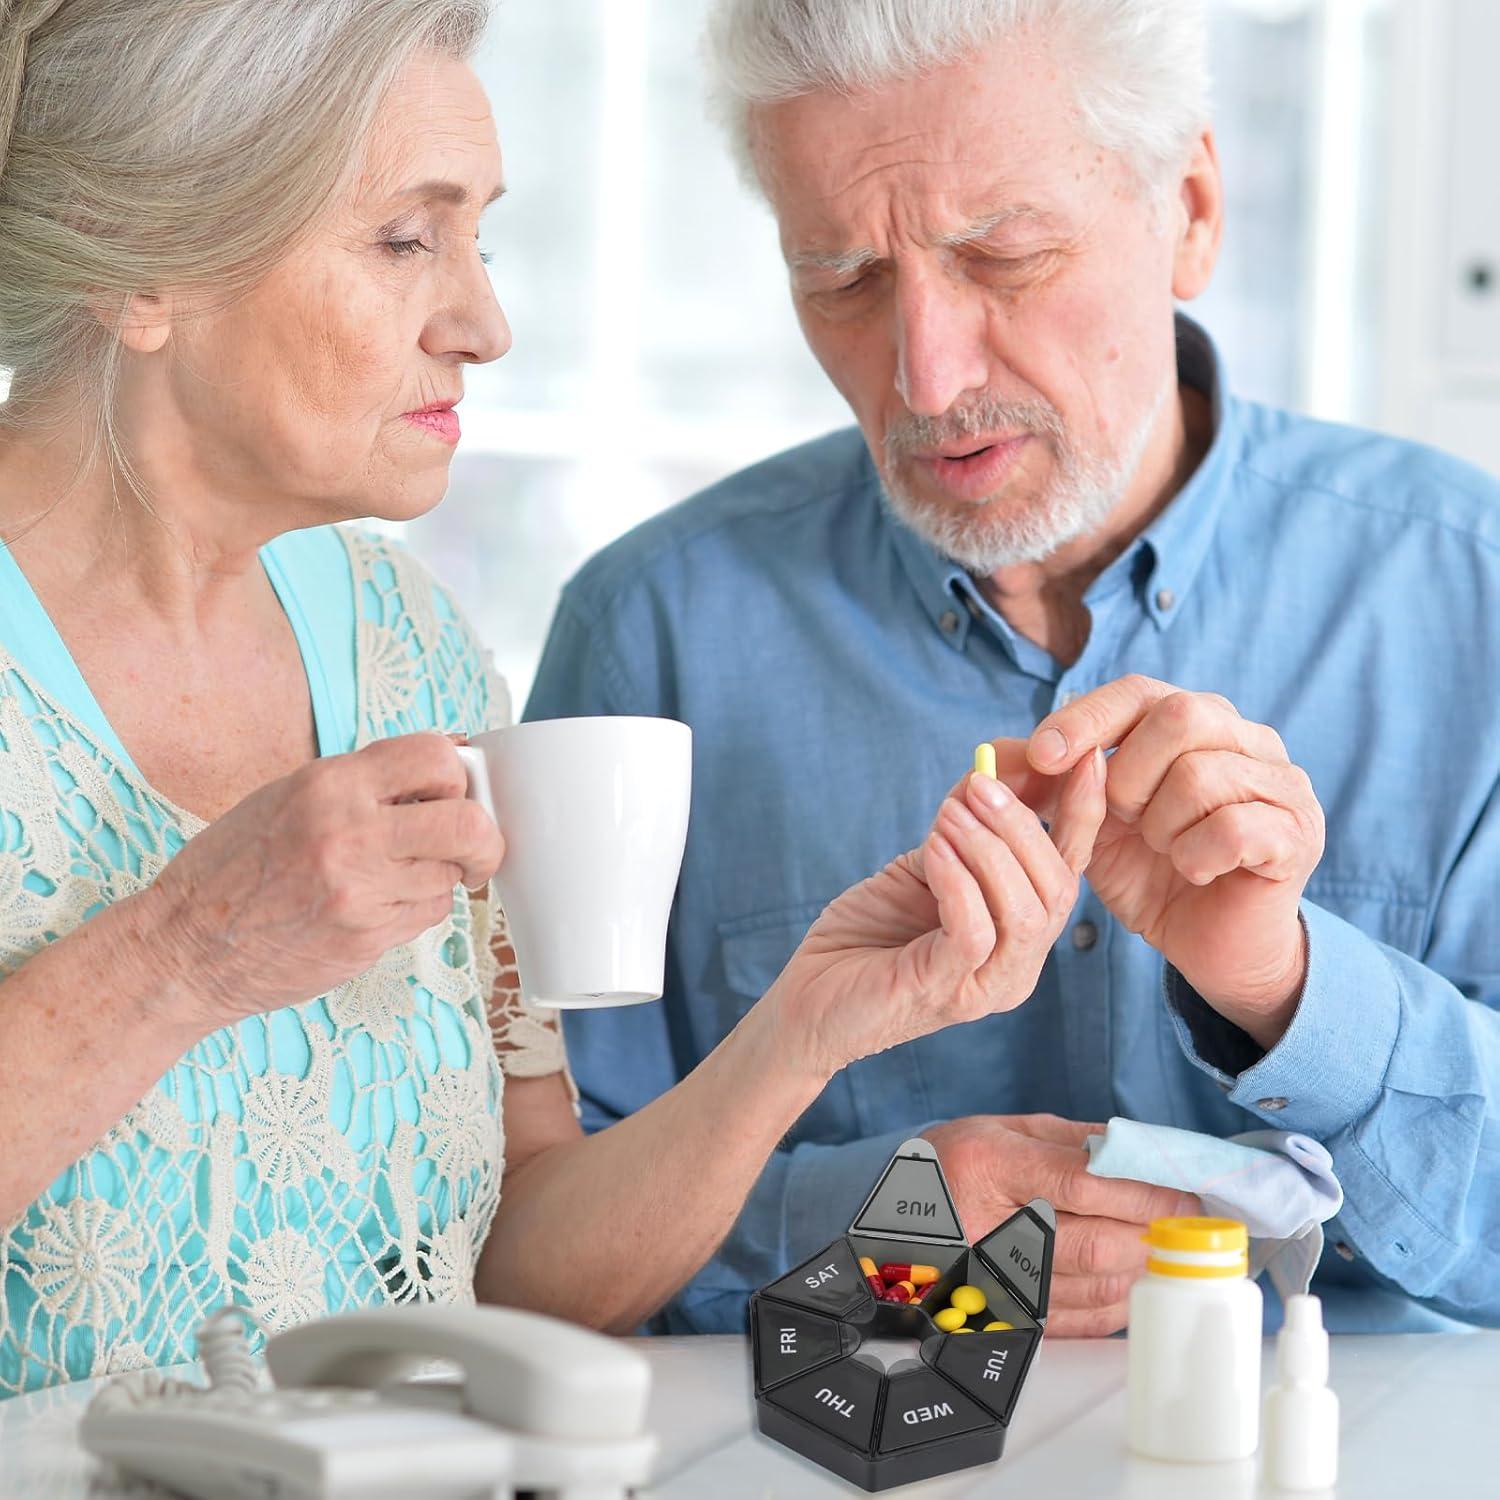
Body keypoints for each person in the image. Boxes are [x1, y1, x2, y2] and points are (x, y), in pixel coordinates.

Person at [0, 0, 1169, 1398]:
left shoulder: (407, 651)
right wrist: (179, 957)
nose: (485, 323)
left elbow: (521, 1270)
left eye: (479, 236)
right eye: (404, 239)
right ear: (148, 269)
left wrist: (803, 1033)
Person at [526, 0, 1500, 1336]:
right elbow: (525, 1249)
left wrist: (1288, 989)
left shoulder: (1472, 594)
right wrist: (874, 1228)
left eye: (1006, 255)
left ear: (1196, 211)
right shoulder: (651, 635)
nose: (926, 377)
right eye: (844, 280)